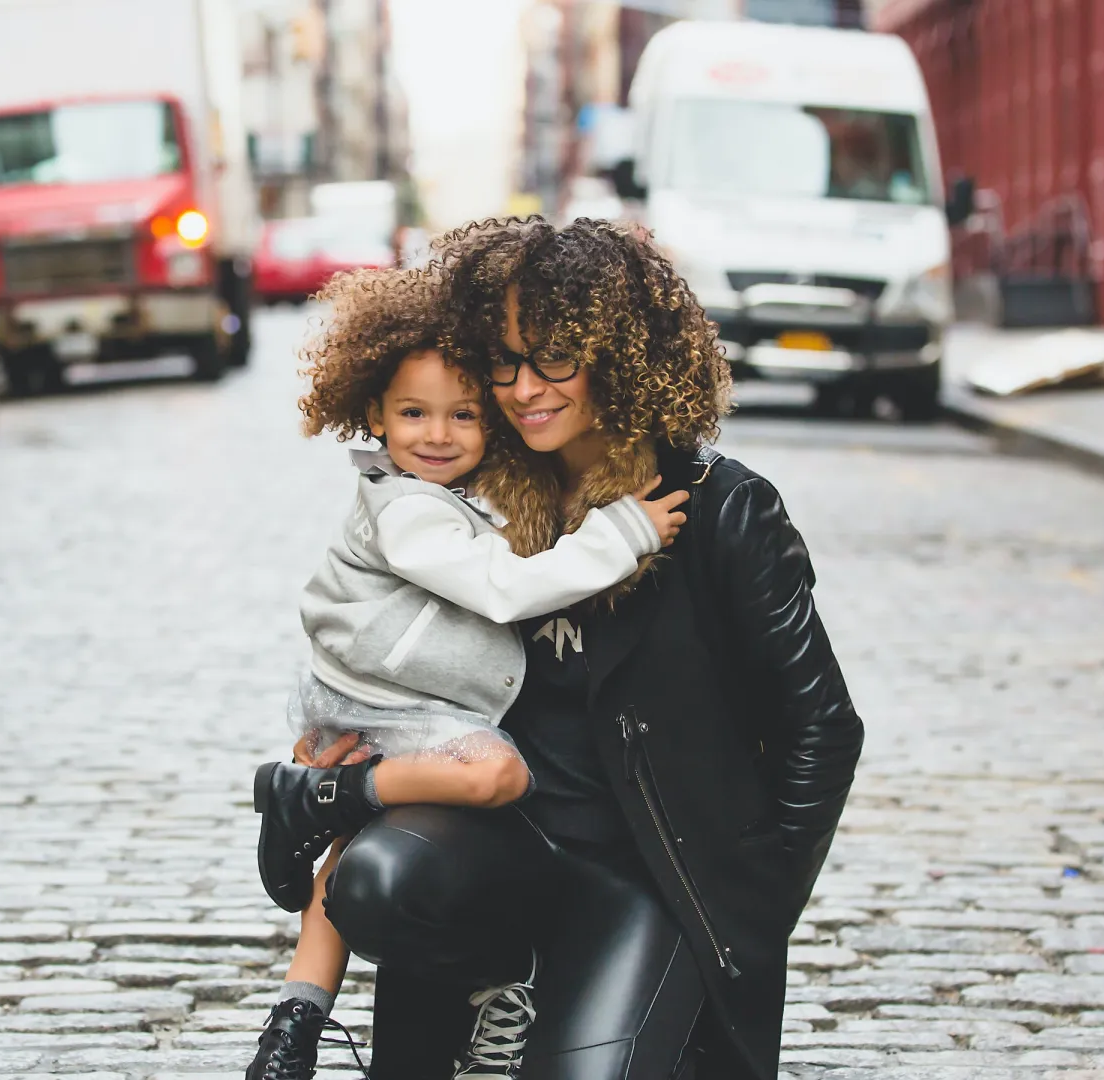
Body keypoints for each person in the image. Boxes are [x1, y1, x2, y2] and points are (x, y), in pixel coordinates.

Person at [318, 218, 866, 1080]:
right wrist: (343, 744)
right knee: (378, 880)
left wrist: (745, 910)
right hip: (503, 847)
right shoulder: (474, 497)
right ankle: (498, 987)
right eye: (502, 359)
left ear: (617, 353)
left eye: (553, 358)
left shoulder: (722, 512)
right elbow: (384, 637)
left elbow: (821, 731)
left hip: (649, 878)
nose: (523, 388)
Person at [246, 264, 692, 1080]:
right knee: (496, 774)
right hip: (399, 701)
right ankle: (320, 801)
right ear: (372, 413)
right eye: (414, 414)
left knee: (350, 851)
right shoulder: (408, 507)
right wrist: (623, 531)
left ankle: (295, 1018)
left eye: (463, 415)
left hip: (386, 695)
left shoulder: (449, 493)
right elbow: (502, 586)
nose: (439, 434)